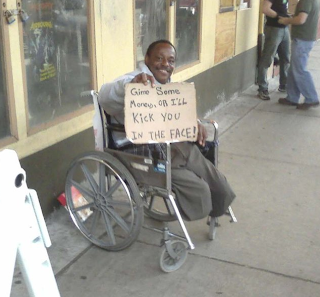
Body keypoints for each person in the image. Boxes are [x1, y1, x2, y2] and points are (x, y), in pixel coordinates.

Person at [99, 39, 236, 222]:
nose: (165, 64)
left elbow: (172, 112)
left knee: (219, 185)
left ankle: (218, 205)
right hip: (141, 151)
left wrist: (193, 123)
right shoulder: (132, 80)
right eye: (159, 58)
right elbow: (105, 96)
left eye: (171, 61)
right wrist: (130, 85)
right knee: (200, 190)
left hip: (173, 146)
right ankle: (201, 206)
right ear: (146, 59)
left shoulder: (168, 87)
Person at [278, 0, 320, 110]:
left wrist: (286, 20)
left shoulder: (306, 1)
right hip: (305, 39)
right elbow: (304, 16)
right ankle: (292, 97)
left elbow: (301, 20)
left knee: (299, 70)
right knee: (293, 69)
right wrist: (293, 16)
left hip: (302, 39)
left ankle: (311, 98)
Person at [257, 0, 291, 100]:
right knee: (267, 58)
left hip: (284, 28)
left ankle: (284, 85)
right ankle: (262, 88)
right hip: (273, 29)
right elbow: (265, 9)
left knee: (285, 58)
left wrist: (287, 16)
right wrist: (279, 16)